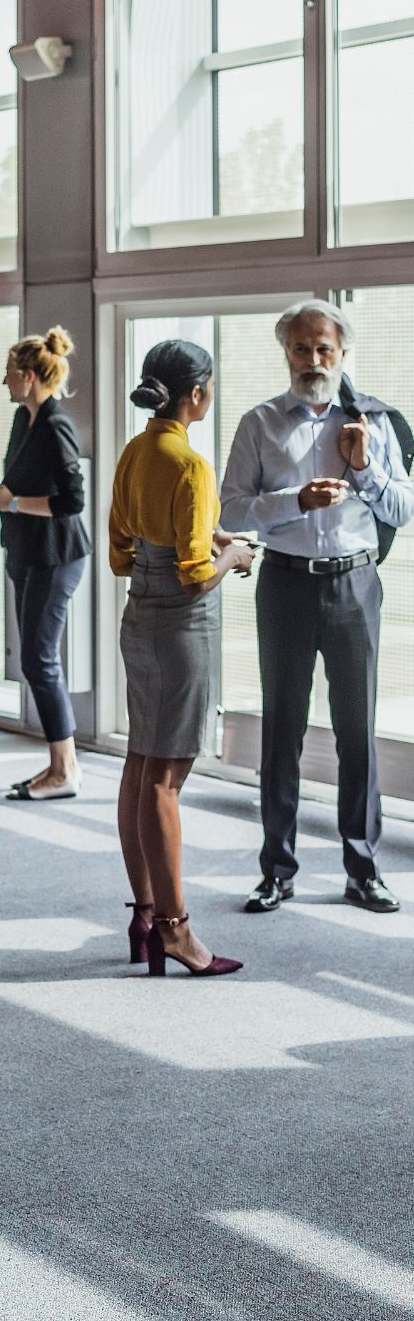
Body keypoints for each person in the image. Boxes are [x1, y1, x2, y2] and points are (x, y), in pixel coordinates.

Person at [220, 300, 414, 915]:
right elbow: (230, 510)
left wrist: (365, 469)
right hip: (284, 585)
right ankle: (277, 869)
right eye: (301, 349)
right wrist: (295, 500)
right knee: (283, 729)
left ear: (343, 353)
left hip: (355, 587)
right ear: (286, 353)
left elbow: (402, 511)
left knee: (357, 731)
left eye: (324, 348)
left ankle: (362, 869)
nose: (313, 360)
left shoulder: (375, 423)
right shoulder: (259, 423)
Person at [109, 340, 253, 977]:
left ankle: (145, 912)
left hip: (138, 617)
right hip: (181, 626)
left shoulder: (136, 451)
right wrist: (234, 556)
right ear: (197, 393)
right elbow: (197, 575)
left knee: (141, 765)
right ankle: (176, 932)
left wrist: (208, 535)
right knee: (166, 781)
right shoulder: (190, 464)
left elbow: (124, 551)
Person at [0, 327, 93, 800]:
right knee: (37, 658)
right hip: (27, 552)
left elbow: (72, 502)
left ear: (29, 377)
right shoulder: (24, 421)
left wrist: (11, 504)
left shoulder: (56, 425)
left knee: (39, 659)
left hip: (57, 555)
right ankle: (60, 765)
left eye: (10, 373)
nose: (4, 381)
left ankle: (65, 769)